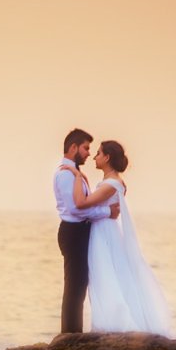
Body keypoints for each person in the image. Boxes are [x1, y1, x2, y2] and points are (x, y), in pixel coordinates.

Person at [64, 140, 170, 334]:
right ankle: (105, 320)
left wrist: (77, 176)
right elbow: (96, 203)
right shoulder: (110, 182)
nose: (94, 157)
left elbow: (81, 203)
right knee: (102, 273)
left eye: (98, 153)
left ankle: (113, 322)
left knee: (105, 272)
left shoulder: (112, 183)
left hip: (104, 232)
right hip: (103, 228)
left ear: (107, 157)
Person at [54, 129, 119, 334]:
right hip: (73, 232)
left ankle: (72, 333)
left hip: (78, 231)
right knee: (75, 285)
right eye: (85, 148)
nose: (88, 153)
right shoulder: (66, 174)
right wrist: (107, 211)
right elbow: (76, 207)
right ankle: (70, 335)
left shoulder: (74, 173)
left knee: (79, 285)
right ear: (73, 147)